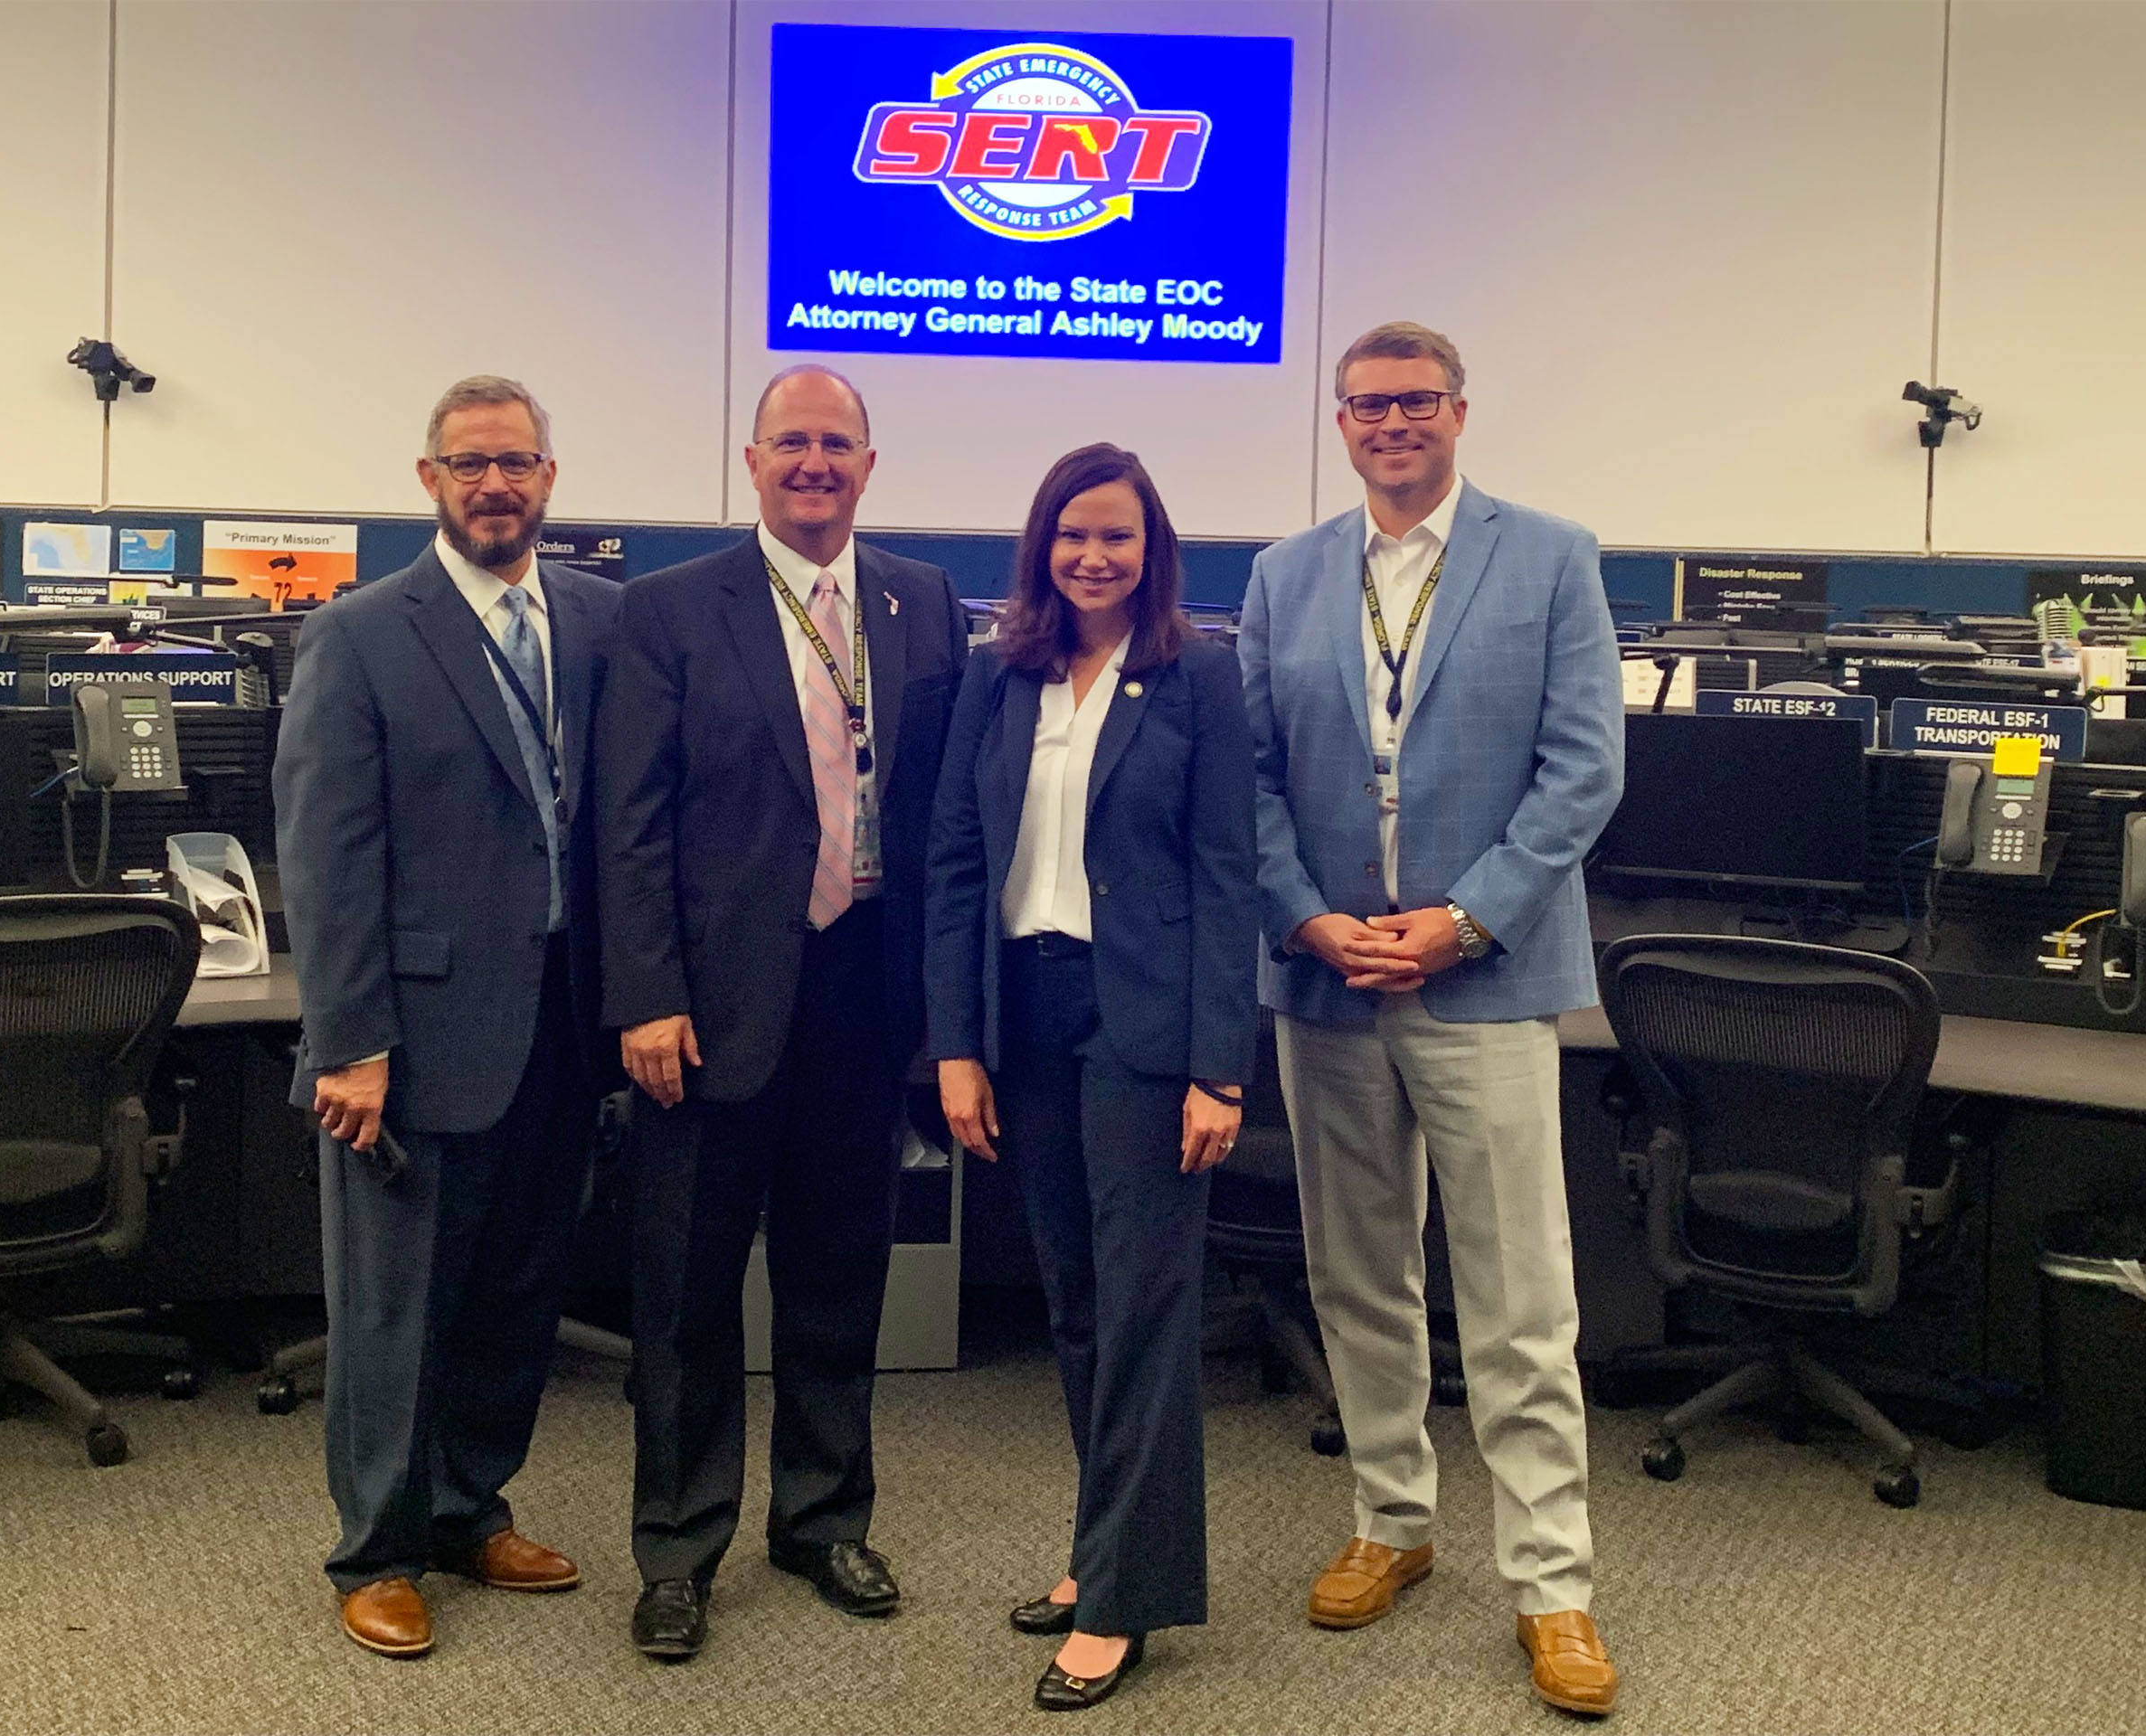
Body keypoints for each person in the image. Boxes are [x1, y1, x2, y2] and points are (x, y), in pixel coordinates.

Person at [1239, 324, 1626, 1715]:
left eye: (1413, 403)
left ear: (1459, 412)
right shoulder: (1285, 575)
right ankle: (1389, 1523)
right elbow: (1255, 781)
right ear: (1338, 424)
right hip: (1331, 979)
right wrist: (1306, 918)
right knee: (1357, 1274)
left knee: (1519, 1297)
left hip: (1483, 974)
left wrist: (1462, 920)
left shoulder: (1551, 557)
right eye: (1365, 407)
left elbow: (1583, 772)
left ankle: (1553, 1585)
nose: (1390, 424)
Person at [597, 364, 968, 1661]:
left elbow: (937, 814)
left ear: (870, 464)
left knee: (837, 1275)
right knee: (686, 1290)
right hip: (707, 1010)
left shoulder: (919, 601)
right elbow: (628, 824)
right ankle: (678, 1548)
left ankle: (821, 1521)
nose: (814, 462)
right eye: (791, 442)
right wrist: (644, 995)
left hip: (862, 996)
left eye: (837, 444)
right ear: (750, 461)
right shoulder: (666, 609)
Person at [273, 375, 620, 1657]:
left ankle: (473, 1507)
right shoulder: (362, 632)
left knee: (518, 1290)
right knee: (392, 1307)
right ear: (428, 480)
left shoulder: (596, 619)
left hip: (559, 1025)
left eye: (517, 462)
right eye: (469, 463)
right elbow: (324, 856)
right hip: (410, 1039)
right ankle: (376, 1548)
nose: (495, 485)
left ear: (547, 478)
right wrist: (347, 1043)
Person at [928, 444, 1258, 1712]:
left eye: (1117, 536)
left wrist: (1215, 1070)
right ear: (1040, 546)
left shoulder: (1197, 680)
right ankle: (1098, 1547)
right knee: (1071, 1298)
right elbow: (959, 860)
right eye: (1072, 534)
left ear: (1150, 550)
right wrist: (956, 1042)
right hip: (1026, 1010)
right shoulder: (996, 676)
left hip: (1146, 1027)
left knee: (1142, 1312)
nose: (1093, 556)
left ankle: (1125, 1595)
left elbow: (1226, 878)